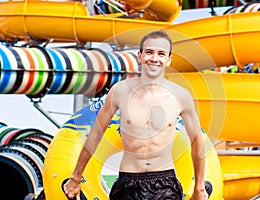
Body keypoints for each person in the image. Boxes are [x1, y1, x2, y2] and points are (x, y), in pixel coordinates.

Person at [63, 30, 208, 200]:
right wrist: (75, 178)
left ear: (168, 60)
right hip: (128, 183)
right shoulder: (120, 91)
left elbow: (197, 141)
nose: (154, 58)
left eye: (161, 54)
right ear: (140, 56)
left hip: (165, 183)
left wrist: (199, 187)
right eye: (149, 52)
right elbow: (95, 135)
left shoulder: (181, 96)